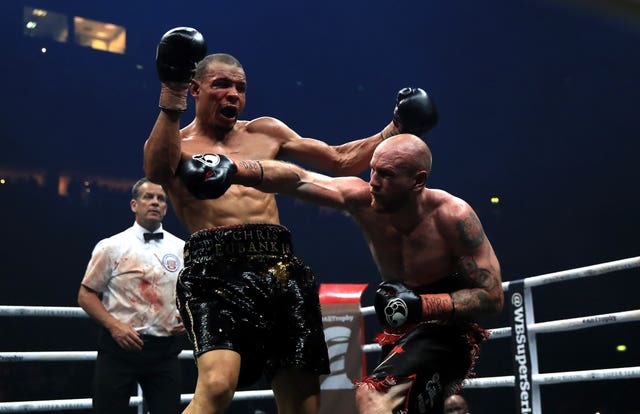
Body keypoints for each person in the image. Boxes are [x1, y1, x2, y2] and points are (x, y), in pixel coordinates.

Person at [143, 26, 437, 414]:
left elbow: (338, 159)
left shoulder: (267, 130)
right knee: (216, 387)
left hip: (280, 269)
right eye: (222, 85)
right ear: (195, 88)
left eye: (241, 87)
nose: (234, 94)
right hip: (216, 272)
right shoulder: (176, 143)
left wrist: (395, 129)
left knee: (303, 402)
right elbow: (157, 171)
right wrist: (172, 90)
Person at [178, 133, 503, 414]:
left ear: (418, 181)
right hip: (400, 329)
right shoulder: (365, 199)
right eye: (372, 170)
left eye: (386, 175)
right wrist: (235, 169)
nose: (373, 181)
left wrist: (422, 305)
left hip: (448, 331)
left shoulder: (454, 217)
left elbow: (492, 296)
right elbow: (299, 179)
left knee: (373, 395)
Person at [77, 178, 186, 414]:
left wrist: (190, 318)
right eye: (149, 197)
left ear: (166, 208)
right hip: (119, 349)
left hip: (165, 351)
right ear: (134, 205)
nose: (155, 202)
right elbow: (86, 295)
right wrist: (114, 326)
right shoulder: (111, 246)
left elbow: (194, 294)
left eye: (160, 199)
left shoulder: (181, 249)